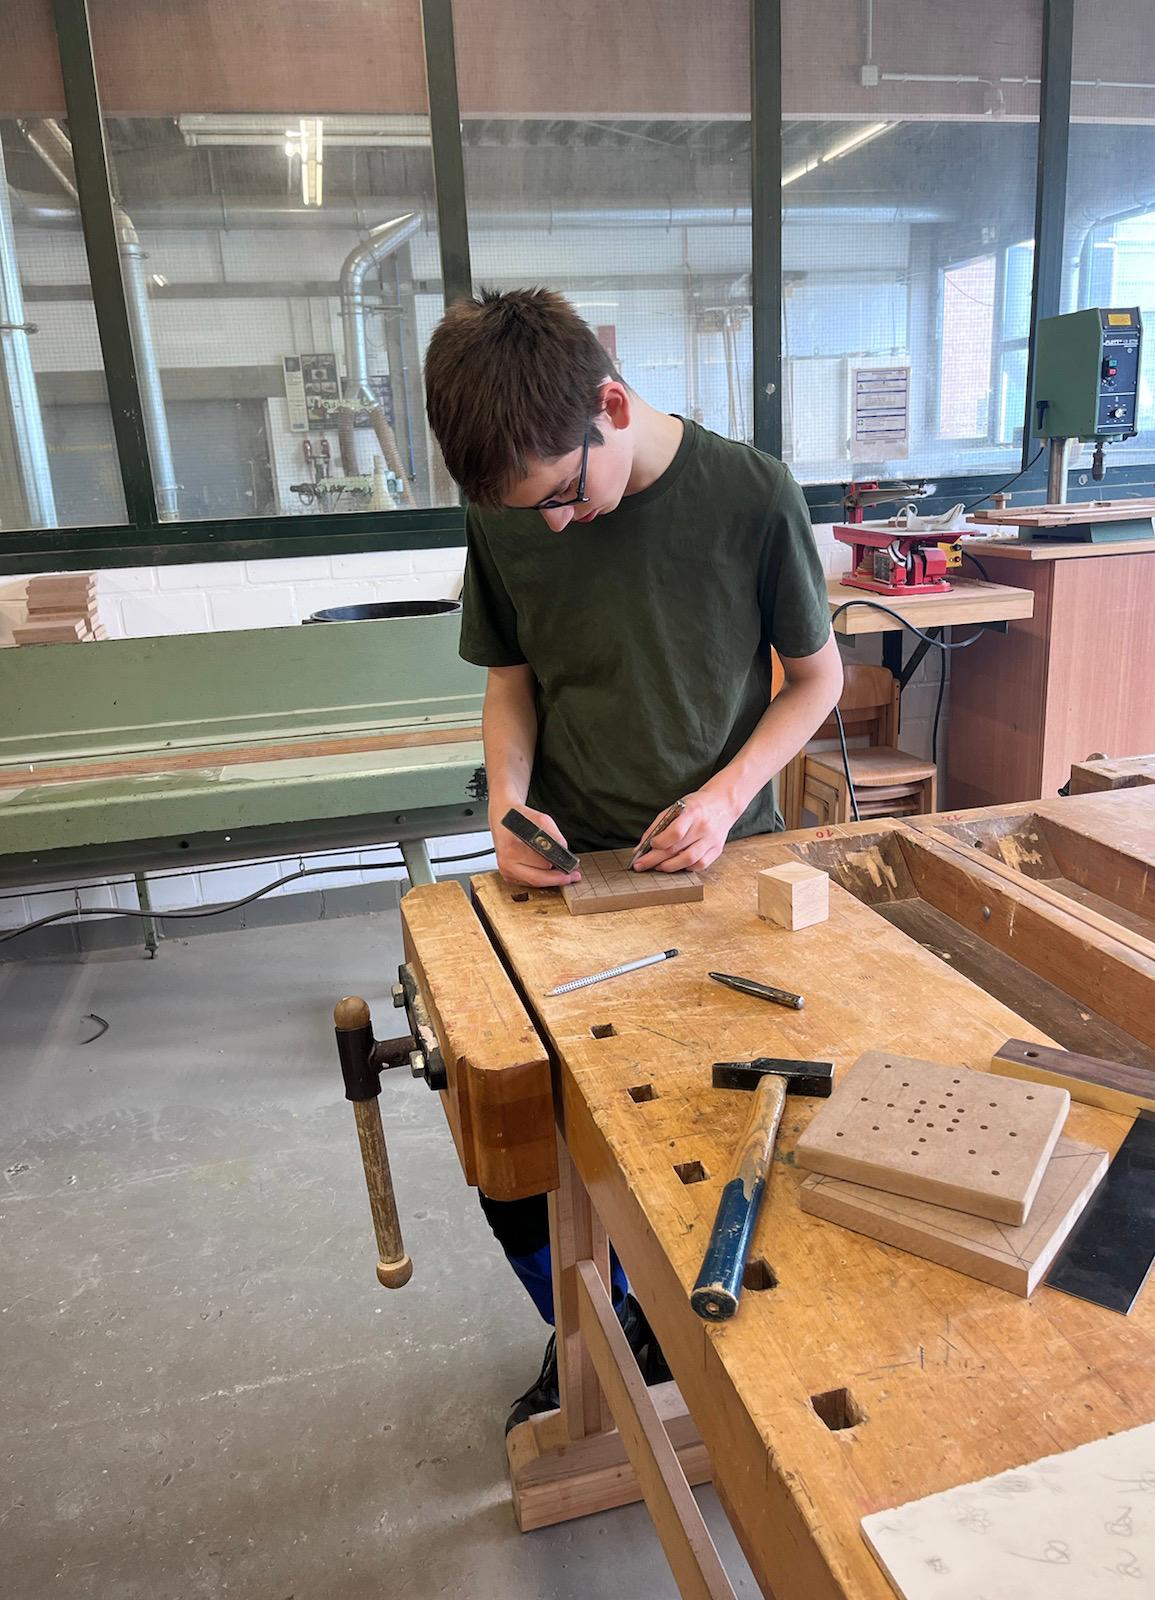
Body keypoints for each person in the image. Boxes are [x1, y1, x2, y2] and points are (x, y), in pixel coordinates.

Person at [424, 287, 843, 1430]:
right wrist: (508, 808)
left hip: (722, 875)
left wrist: (725, 795)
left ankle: (702, 1340)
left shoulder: (750, 493)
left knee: (720, 1139)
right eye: (532, 513)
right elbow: (510, 684)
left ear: (611, 404)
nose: (554, 527)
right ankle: (605, 1330)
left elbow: (818, 683)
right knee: (514, 1152)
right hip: (567, 888)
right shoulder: (513, 503)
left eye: (565, 496)